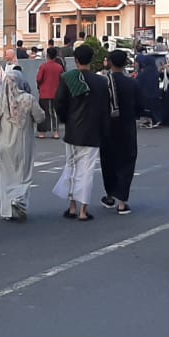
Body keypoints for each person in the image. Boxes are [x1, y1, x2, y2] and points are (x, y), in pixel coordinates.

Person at [53, 45, 110, 221]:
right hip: (92, 132)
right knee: (86, 170)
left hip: (72, 130)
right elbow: (105, 110)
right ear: (91, 60)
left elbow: (59, 103)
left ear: (76, 60)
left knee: (71, 166)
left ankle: (72, 207)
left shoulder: (68, 78)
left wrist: (65, 119)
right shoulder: (101, 82)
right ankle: (83, 211)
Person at [0, 68, 45, 222]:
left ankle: (7, 210)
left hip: (1, 144)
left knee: (5, 177)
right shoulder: (28, 99)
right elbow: (40, 117)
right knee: (23, 174)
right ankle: (18, 199)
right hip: (21, 144)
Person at [99, 50, 140, 215]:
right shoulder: (132, 83)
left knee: (108, 161)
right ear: (125, 64)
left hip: (108, 127)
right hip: (127, 126)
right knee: (127, 162)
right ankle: (122, 201)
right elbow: (140, 105)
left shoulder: (104, 82)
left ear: (109, 62)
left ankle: (109, 195)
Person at [35, 47, 65, 139]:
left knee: (43, 113)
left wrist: (39, 86)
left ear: (47, 56)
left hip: (44, 93)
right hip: (56, 93)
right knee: (54, 113)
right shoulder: (59, 67)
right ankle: (55, 132)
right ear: (56, 56)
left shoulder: (43, 66)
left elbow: (39, 79)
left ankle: (42, 133)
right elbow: (62, 79)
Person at [134, 46, 164, 127]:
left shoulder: (145, 71)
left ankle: (153, 121)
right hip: (154, 92)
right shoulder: (154, 70)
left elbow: (139, 81)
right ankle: (154, 120)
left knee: (148, 108)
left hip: (146, 93)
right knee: (154, 107)